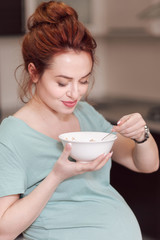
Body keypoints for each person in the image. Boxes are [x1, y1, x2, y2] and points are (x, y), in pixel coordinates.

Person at [0, 1, 159, 240]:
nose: (75, 93)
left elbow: (146, 165)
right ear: (34, 72)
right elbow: (4, 231)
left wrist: (141, 135)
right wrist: (56, 176)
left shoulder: (85, 114)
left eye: (83, 81)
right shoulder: (11, 135)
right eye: (63, 83)